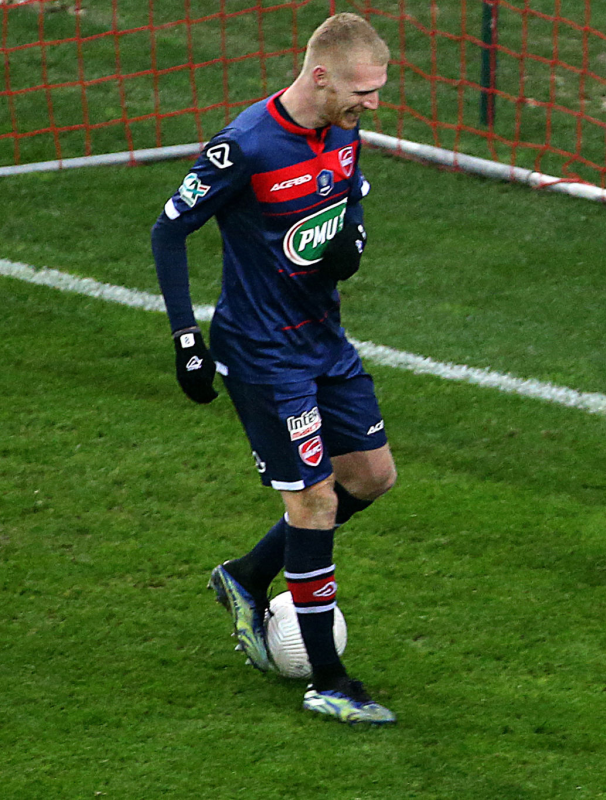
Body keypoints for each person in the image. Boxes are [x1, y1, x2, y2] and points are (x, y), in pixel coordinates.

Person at [150, 13, 397, 725]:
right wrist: (185, 339)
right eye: (362, 90)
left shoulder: (344, 130)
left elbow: (349, 198)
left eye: (378, 91)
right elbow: (170, 231)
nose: (372, 104)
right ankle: (328, 679)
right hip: (262, 353)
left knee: (371, 477)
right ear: (320, 75)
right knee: (313, 503)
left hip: (325, 341)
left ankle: (246, 576)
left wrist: (353, 239)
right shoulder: (245, 148)